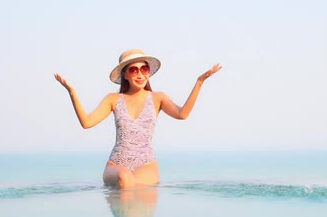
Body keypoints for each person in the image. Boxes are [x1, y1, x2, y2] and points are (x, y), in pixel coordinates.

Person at [54, 49, 222, 188]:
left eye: (144, 69)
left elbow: (182, 114)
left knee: (142, 206)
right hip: (116, 165)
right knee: (125, 179)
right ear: (125, 75)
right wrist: (71, 92)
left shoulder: (158, 98)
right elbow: (87, 123)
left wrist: (200, 82)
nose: (140, 74)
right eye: (134, 70)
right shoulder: (112, 99)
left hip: (146, 164)